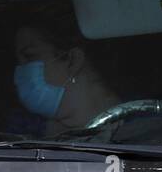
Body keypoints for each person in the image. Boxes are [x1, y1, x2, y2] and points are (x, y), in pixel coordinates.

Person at [13, 8, 119, 136]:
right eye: (18, 61)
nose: (19, 71)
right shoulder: (19, 138)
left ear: (73, 60)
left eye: (29, 56)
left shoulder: (142, 122)